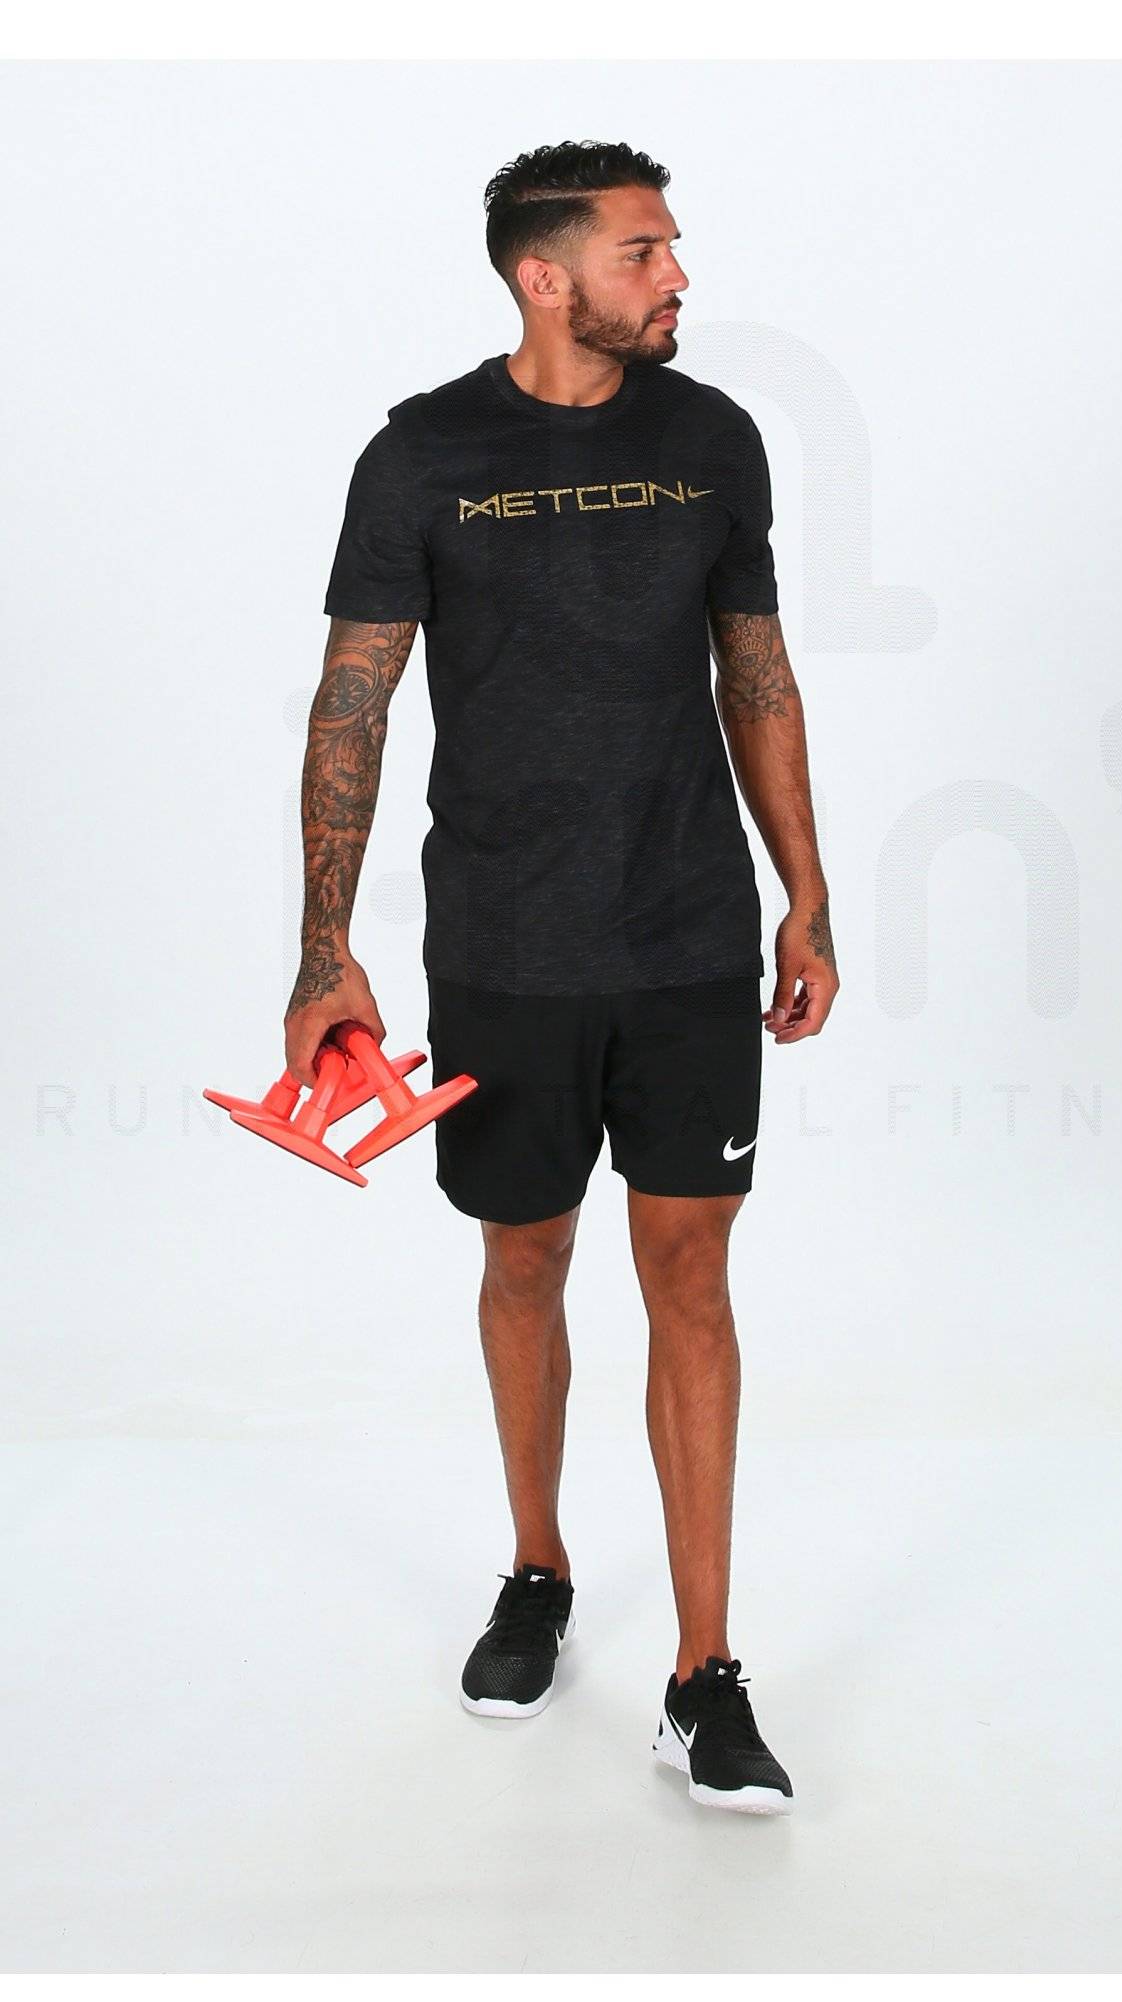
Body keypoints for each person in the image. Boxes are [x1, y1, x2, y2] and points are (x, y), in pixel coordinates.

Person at [285, 140, 837, 1816]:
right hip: (506, 945)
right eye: (643, 251)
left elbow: (757, 670)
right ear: (547, 277)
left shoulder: (713, 438)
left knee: (692, 1275)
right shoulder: (422, 454)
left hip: (686, 933)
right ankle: (539, 1568)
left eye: (670, 249)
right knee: (524, 1258)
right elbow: (353, 702)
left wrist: (806, 893)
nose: (676, 276)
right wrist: (323, 945)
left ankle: (704, 1670)